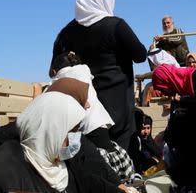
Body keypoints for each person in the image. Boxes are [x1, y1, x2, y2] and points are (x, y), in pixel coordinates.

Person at [50, 0, 147, 151]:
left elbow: (54, 67)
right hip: (117, 101)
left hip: (83, 103)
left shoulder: (67, 32)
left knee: (86, 152)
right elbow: (140, 55)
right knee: (120, 151)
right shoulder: (116, 25)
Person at [49, 51, 136, 182]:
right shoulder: (84, 70)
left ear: (55, 71)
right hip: (101, 126)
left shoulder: (60, 80)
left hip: (88, 133)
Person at [0, 92, 85, 192]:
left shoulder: (59, 166)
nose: (76, 138)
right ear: (51, 132)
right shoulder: (1, 174)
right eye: (72, 131)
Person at [151, 64, 196, 191]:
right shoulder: (183, 86)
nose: (165, 92)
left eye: (163, 88)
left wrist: (183, 101)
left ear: (168, 80)